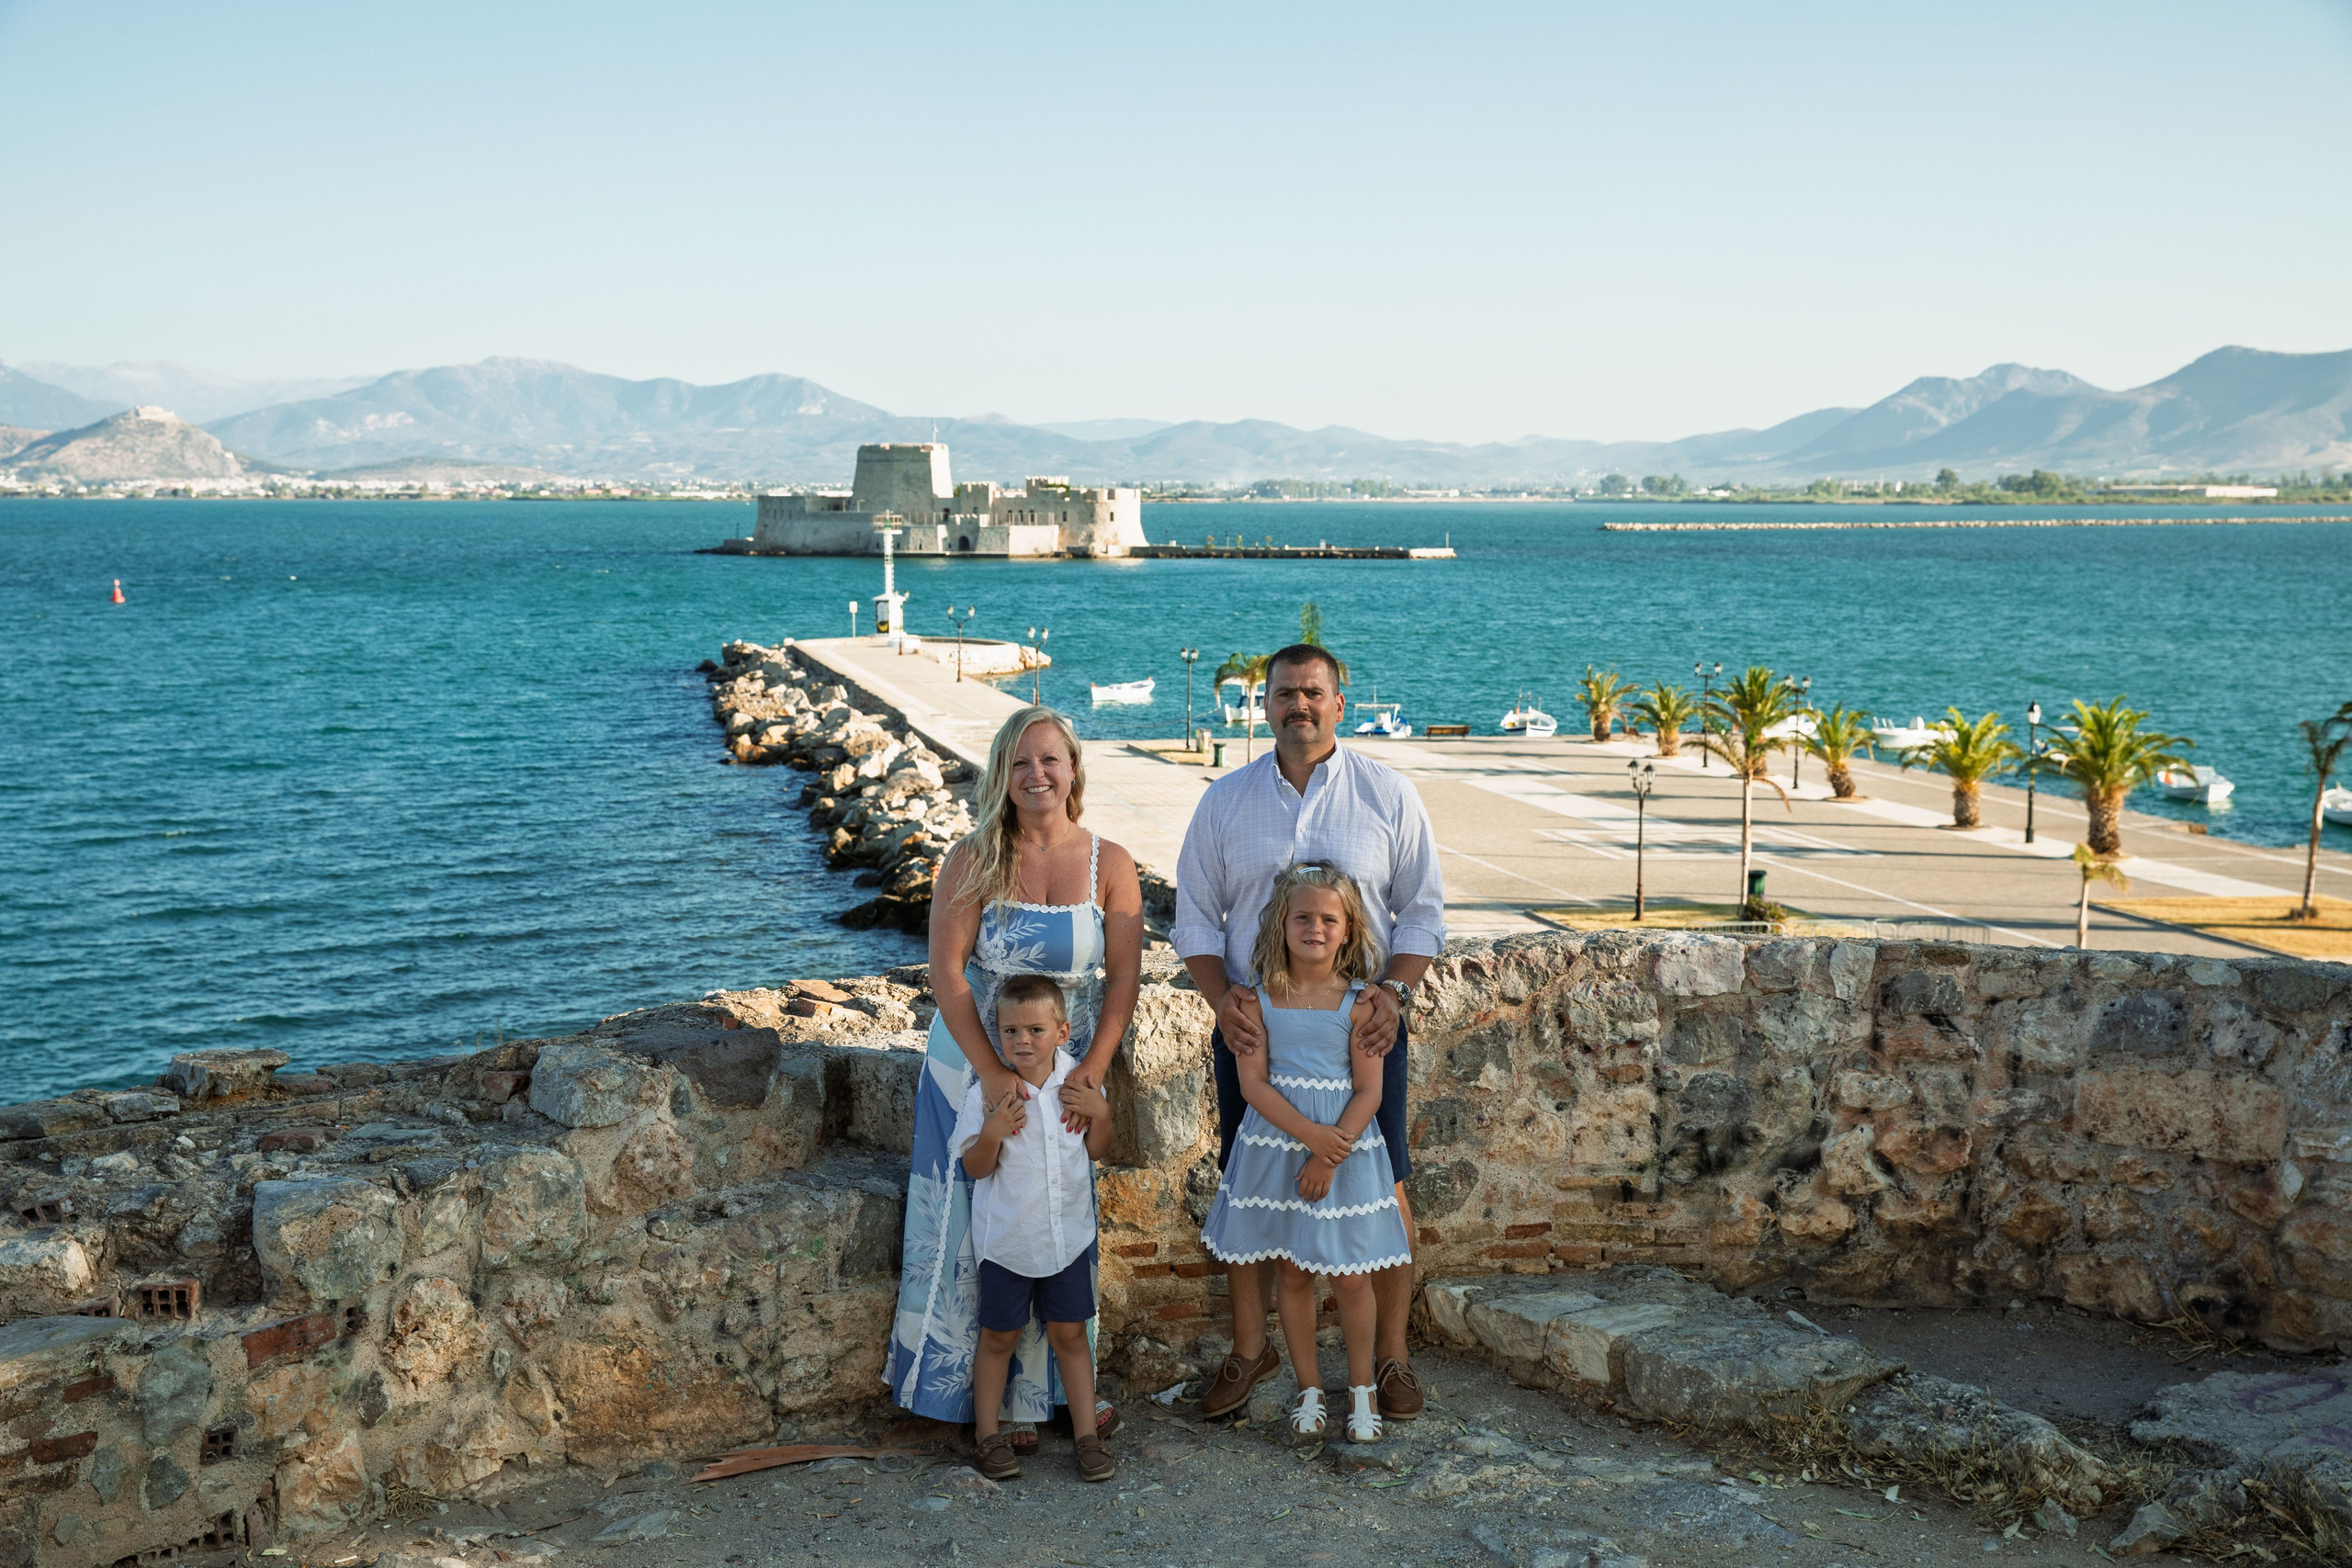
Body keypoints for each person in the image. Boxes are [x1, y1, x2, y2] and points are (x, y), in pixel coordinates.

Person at [1172, 643, 1446, 1426]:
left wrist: (1394, 993)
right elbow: (1195, 917)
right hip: (1253, 1031)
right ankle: (1249, 1349)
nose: (1300, 704)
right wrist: (1223, 1002)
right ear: (1266, 705)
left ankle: (1390, 1357)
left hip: (1365, 1028)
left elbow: (1422, 911)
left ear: (1339, 703)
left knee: (1385, 1187)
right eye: (1286, 693)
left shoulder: (1388, 794)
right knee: (1250, 1185)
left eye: (1314, 692)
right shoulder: (1224, 802)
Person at [887, 705, 1145, 1453]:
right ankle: (975, 1405)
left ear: (1074, 769)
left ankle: (1055, 1397)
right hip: (975, 1060)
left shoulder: (1112, 862)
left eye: (1050, 759)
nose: (1037, 774)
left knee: (1054, 1214)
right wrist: (995, 1073)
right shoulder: (972, 858)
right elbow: (947, 972)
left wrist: (1092, 1066)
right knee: (970, 1224)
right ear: (1001, 774)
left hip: (1066, 1063)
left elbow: (1124, 979)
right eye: (1021, 762)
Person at [1199, 863, 1410, 1444]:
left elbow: (1369, 1091)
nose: (1314, 928)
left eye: (1328, 919)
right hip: (1278, 1150)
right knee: (1292, 1273)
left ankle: (1362, 1391)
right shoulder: (1256, 1002)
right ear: (1281, 924)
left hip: (1344, 1154)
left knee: (1352, 1278)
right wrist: (1309, 1139)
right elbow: (1252, 1085)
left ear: (1348, 930)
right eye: (1302, 917)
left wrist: (1328, 1151)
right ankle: (1309, 1389)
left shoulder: (1361, 1004)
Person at [955, 974, 1118, 1482]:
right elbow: (975, 1168)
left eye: (1035, 1030)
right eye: (1010, 1032)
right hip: (1008, 1241)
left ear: (1062, 1032)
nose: (1022, 1041)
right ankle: (988, 1435)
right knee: (999, 1336)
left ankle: (1087, 1437)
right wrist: (992, 1133)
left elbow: (1096, 1149)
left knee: (1071, 1334)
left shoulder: (1080, 1086)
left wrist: (1102, 1113)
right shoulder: (989, 1096)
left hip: (1067, 1238)